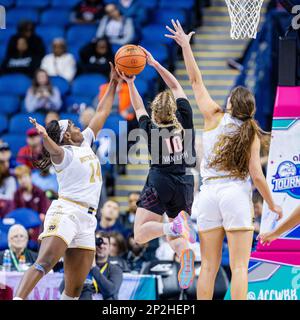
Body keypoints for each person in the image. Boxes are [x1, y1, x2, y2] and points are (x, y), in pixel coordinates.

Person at [165, 19, 283, 300]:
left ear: (230, 102)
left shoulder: (214, 115)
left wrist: (185, 46)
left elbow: (195, 80)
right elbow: (256, 174)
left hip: (207, 195)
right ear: (250, 108)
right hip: (234, 193)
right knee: (240, 267)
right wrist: (271, 204)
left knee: (207, 266)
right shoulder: (251, 131)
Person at [13, 62, 121, 300]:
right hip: (66, 212)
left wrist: (113, 83)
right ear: (64, 137)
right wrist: (44, 136)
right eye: (71, 126)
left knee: (73, 290)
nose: (76, 125)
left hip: (88, 219)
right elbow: (54, 150)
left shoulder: (84, 142)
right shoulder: (64, 155)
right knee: (44, 263)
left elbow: (102, 112)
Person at [117, 47, 197, 289]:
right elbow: (175, 87)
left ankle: (170, 226)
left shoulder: (150, 129)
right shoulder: (185, 117)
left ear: (155, 113)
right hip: (185, 182)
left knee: (140, 234)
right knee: (176, 240)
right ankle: (185, 254)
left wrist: (130, 83)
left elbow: (138, 107)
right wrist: (155, 64)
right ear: (174, 109)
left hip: (160, 181)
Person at [60, 231, 123, 300]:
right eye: (98, 243)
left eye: (105, 244)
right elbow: (63, 289)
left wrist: (93, 268)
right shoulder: (81, 266)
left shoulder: (115, 269)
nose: (101, 246)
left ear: (109, 247)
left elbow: (110, 291)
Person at [0, 143, 17, 218]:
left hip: (7, 209)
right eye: (1, 151)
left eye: (6, 150)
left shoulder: (11, 178)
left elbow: (10, 197)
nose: (4, 153)